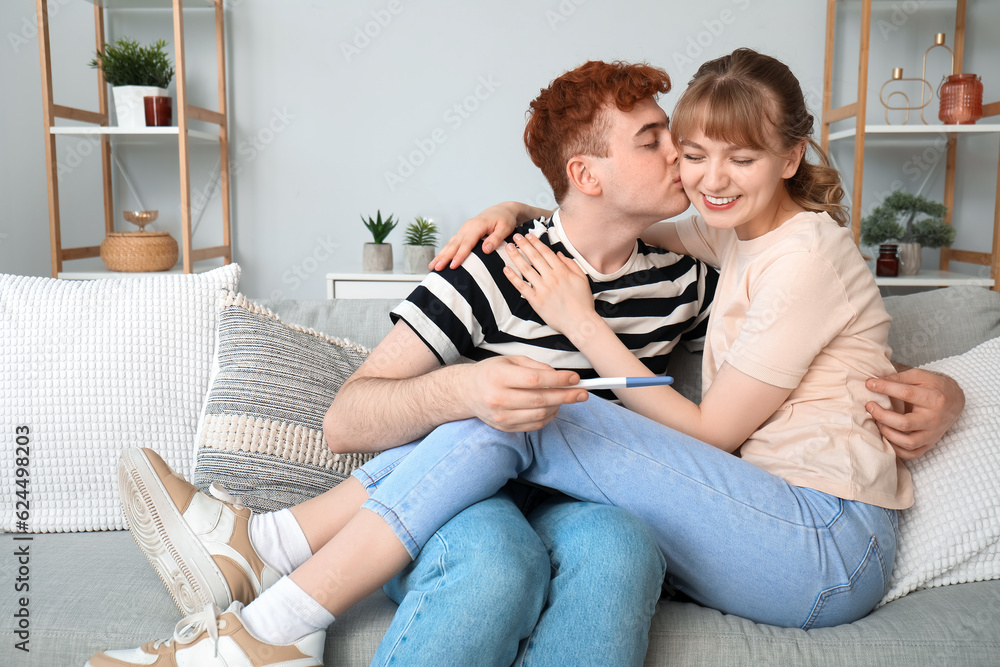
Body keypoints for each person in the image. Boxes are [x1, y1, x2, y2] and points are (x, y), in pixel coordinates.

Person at [87, 53, 963, 667]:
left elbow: (735, 411)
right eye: (672, 146)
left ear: (788, 156)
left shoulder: (705, 266)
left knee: (601, 506)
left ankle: (267, 563)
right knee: (517, 434)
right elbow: (347, 416)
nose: (696, 171)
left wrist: (951, 386)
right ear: (588, 174)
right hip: (490, 496)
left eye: (697, 147)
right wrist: (475, 357)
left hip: (787, 526)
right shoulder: (513, 260)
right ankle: (268, 578)